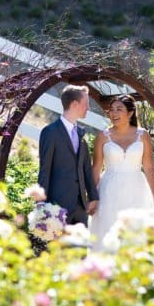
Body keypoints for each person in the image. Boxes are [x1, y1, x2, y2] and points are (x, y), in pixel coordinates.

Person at [89, 94, 154, 251]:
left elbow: (149, 166)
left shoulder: (142, 135)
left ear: (130, 113)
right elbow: (96, 168)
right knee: (108, 230)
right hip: (109, 190)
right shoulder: (103, 136)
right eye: (112, 110)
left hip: (137, 189)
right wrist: (92, 197)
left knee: (137, 233)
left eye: (119, 109)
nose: (113, 113)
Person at [38, 85, 99, 226]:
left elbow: (86, 169)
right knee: (59, 248)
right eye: (86, 104)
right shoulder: (50, 132)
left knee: (80, 247)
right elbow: (44, 170)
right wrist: (40, 204)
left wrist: (93, 197)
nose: (88, 108)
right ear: (74, 104)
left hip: (81, 208)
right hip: (57, 206)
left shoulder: (81, 133)